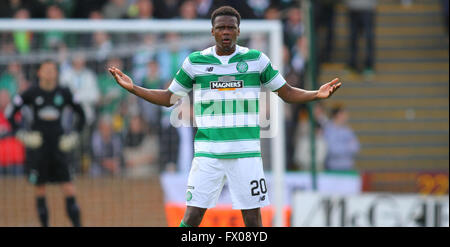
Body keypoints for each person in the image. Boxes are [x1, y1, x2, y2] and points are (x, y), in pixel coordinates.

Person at [108, 6, 341, 227]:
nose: (226, 32)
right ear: (213, 31)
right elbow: (168, 97)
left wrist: (316, 94)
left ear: (238, 31)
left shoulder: (256, 60)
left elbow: (287, 92)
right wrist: (134, 88)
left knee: (252, 219)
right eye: (221, 28)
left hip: (246, 154)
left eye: (231, 28)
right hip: (209, 154)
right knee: (193, 214)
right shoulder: (195, 62)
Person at [6, 60, 85, 227]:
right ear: (39, 73)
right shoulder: (30, 93)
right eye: (46, 69)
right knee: (40, 189)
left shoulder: (64, 92)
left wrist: (73, 137)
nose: (49, 73)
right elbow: (10, 114)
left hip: (59, 147)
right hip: (39, 149)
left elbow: (82, 115)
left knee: (69, 188)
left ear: (56, 73)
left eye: (52, 70)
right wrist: (23, 135)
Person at [318, 104, 360, 171]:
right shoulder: (329, 129)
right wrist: (347, 147)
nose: (347, 116)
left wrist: (342, 147)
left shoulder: (347, 129)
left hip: (348, 167)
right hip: (333, 168)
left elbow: (356, 147)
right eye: (344, 113)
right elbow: (332, 149)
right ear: (338, 114)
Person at [345, 0, 377, 77]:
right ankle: (352, 65)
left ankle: (369, 66)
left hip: (368, 8)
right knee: (353, 38)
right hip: (353, 8)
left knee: (368, 38)